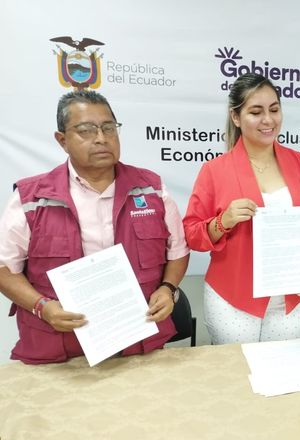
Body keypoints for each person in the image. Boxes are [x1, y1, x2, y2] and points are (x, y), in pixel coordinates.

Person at [0, 90, 190, 364]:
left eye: (108, 128)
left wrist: (168, 288)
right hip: (60, 349)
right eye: (86, 130)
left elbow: (178, 251)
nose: (101, 138)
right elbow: (5, 269)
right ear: (62, 140)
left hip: (138, 340)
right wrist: (42, 307)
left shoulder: (151, 189)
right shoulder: (31, 198)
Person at [183, 73, 300, 345]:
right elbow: (192, 234)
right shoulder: (215, 170)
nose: (268, 120)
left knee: (282, 368)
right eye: (256, 112)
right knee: (237, 369)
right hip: (234, 298)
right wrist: (223, 221)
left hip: (291, 297)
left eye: (274, 110)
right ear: (236, 117)